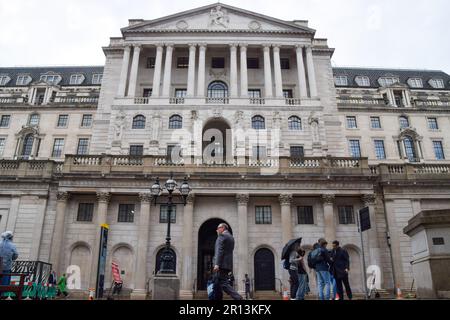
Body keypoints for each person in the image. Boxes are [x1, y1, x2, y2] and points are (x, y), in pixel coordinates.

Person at [213, 223, 243, 300]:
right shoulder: (231, 237)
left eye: (218, 228)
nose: (217, 230)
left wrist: (217, 264)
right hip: (227, 265)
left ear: (222, 228)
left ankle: (238, 298)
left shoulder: (222, 236)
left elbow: (220, 250)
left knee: (223, 283)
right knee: (216, 283)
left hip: (221, 265)